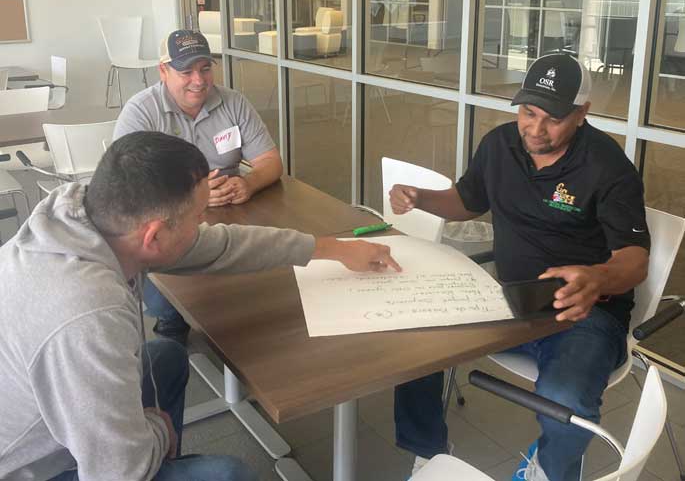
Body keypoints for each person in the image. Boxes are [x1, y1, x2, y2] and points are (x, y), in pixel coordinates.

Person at [0, 132, 400, 481]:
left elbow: (225, 245)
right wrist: (156, 430)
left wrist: (331, 249)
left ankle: (162, 458)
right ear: (153, 236)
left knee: (167, 358)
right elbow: (115, 472)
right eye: (197, 215)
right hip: (29, 468)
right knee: (229, 475)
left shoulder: (84, 216)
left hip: (48, 415)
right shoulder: (86, 315)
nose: (203, 225)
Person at [389, 54, 650, 481]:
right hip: (508, 299)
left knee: (565, 401)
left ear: (582, 114)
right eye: (528, 112)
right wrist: (423, 197)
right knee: (419, 340)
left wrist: (598, 277)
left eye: (553, 119)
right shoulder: (499, 146)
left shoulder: (608, 168)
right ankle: (428, 450)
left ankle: (547, 470)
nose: (535, 128)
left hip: (581, 313)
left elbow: (635, 259)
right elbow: (468, 201)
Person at [113, 29, 284, 343]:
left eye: (205, 68)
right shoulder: (140, 112)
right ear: (163, 71)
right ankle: (173, 331)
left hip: (234, 217)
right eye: (186, 71)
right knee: (172, 303)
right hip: (167, 229)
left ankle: (251, 354)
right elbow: (128, 189)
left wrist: (249, 183)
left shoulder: (234, 102)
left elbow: (271, 161)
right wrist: (194, 197)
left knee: (265, 281)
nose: (199, 79)